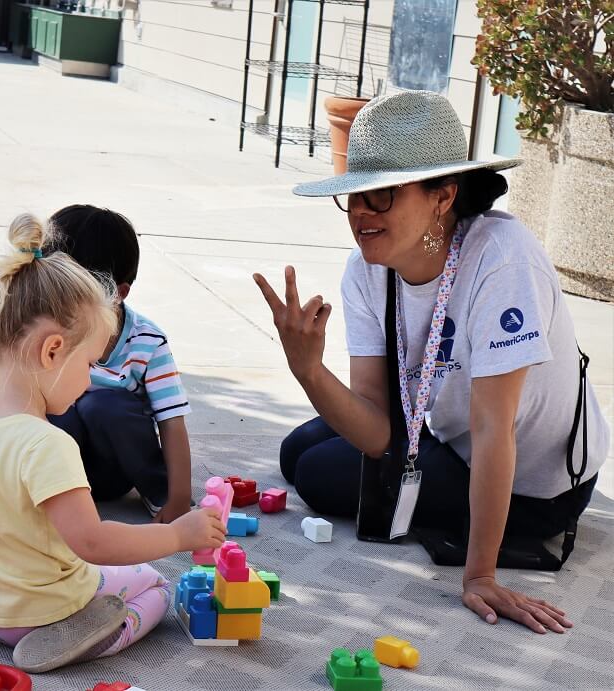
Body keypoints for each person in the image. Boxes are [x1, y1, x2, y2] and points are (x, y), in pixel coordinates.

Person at [253, 91, 609, 635]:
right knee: (297, 447)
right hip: (444, 437)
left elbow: (495, 427)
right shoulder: (367, 268)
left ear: (443, 196)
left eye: (382, 195)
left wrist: (481, 575)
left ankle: (497, 529)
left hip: (533, 486)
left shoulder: (501, 256)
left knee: (317, 472)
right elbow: (374, 422)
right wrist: (308, 368)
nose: (361, 213)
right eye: (353, 196)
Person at [0, 213, 225, 673]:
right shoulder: (46, 446)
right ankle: (84, 630)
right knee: (155, 587)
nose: (90, 380)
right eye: (87, 362)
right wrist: (176, 535)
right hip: (37, 613)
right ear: (52, 351)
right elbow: (93, 542)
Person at [44, 204, 194, 523]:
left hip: (113, 472)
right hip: (58, 474)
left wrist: (178, 498)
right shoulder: (44, 329)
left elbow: (172, 421)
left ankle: (158, 495)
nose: (60, 303)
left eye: (75, 292)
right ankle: (43, 496)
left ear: (117, 294)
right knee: (56, 410)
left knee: (102, 404)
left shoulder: (147, 341)